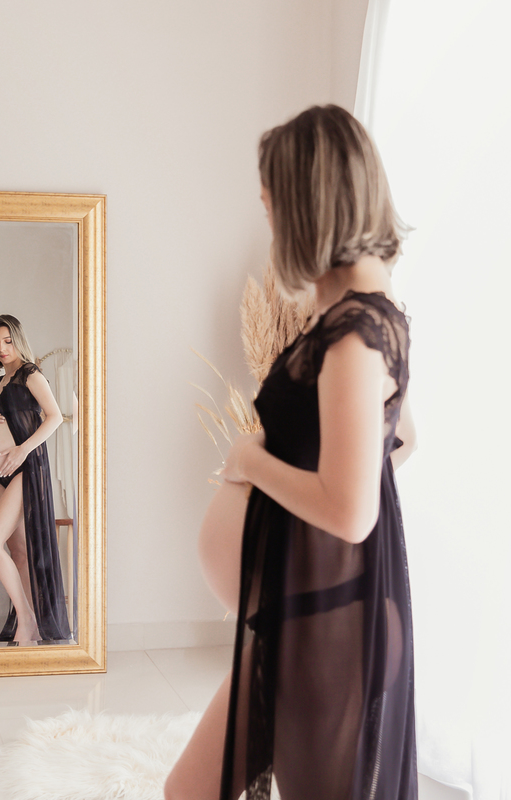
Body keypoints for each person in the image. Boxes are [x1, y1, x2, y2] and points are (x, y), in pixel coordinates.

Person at [166, 105, 418, 800]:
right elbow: (401, 440)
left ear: (310, 205)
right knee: (187, 790)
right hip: (307, 619)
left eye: (272, 204)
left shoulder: (355, 334)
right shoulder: (360, 316)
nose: (271, 222)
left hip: (327, 632)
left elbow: (352, 513)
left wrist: (250, 464)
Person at [0, 314, 71, 644]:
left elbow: (54, 417)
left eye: (7, 341)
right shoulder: (0, 382)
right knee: (18, 552)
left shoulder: (31, 373)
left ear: (17, 339)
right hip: (1, 475)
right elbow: (8, 418)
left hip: (25, 468)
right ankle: (31, 628)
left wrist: (22, 450)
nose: (2, 348)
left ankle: (28, 620)